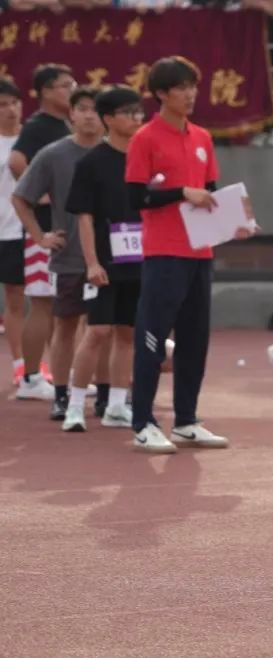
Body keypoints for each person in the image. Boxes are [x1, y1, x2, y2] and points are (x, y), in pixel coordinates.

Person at [125, 56, 236, 453]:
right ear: (160, 94)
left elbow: (211, 193)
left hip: (200, 253)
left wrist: (236, 220)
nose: (190, 94)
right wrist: (181, 193)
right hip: (164, 253)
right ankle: (143, 423)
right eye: (181, 88)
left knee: (194, 339)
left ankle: (186, 421)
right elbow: (136, 197)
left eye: (193, 86)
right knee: (153, 338)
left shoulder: (203, 138)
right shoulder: (145, 138)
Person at [11, 85, 104, 418]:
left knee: (107, 328)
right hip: (70, 256)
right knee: (65, 325)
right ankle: (62, 395)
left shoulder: (119, 152)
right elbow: (21, 197)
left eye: (96, 109)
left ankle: (108, 394)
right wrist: (41, 236)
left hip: (113, 257)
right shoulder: (53, 154)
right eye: (82, 108)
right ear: (71, 114)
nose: (89, 115)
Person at [62, 86, 147, 432]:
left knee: (127, 333)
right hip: (104, 261)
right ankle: (75, 407)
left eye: (139, 112)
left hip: (140, 258)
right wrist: (92, 263)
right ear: (108, 119)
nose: (136, 118)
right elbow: (84, 217)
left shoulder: (145, 157)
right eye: (128, 112)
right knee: (97, 331)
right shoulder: (92, 162)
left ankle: (116, 406)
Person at [9, 63, 75, 398]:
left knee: (66, 307)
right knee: (43, 304)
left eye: (73, 83)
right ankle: (31, 378)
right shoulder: (38, 126)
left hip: (66, 229)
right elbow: (16, 161)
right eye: (65, 85)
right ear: (46, 91)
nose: (71, 89)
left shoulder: (65, 125)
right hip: (44, 231)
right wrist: (40, 194)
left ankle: (66, 374)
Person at [0, 80, 25, 387]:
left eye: (14, 103)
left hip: (23, 231)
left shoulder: (31, 141)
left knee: (19, 299)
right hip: (2, 230)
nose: (10, 110)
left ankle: (24, 365)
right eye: (2, 105)